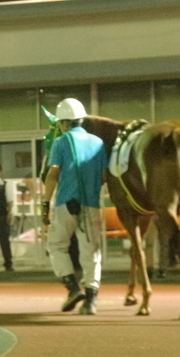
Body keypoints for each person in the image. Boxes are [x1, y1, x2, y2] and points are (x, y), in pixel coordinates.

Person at [42, 98, 107, 315]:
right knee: (91, 252)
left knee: (57, 245)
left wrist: (45, 202)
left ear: (63, 122)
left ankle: (72, 288)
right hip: (91, 205)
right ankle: (91, 300)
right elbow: (104, 175)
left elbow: (53, 174)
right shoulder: (98, 143)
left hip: (64, 204)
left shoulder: (61, 142)